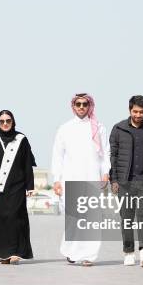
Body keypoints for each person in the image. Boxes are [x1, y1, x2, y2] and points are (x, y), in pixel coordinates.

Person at [52, 93, 110, 266]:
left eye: (85, 104)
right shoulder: (64, 128)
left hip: (92, 177)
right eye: (78, 104)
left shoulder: (99, 127)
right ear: (73, 106)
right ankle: (72, 251)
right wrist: (56, 179)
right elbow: (57, 156)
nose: (82, 107)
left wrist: (105, 173)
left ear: (90, 105)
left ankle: (89, 256)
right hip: (70, 178)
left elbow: (106, 153)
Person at [110, 95, 143, 268]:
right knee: (126, 218)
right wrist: (114, 180)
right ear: (129, 110)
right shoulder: (118, 129)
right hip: (125, 181)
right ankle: (128, 252)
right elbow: (113, 157)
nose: (138, 115)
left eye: (141, 112)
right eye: (135, 111)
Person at [0, 110, 36, 265]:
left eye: (8, 121)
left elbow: (27, 164)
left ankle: (15, 253)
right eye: (2, 121)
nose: (5, 124)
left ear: (13, 122)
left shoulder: (21, 140)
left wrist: (30, 185)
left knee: (16, 220)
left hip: (17, 187)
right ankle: (3, 254)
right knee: (2, 222)